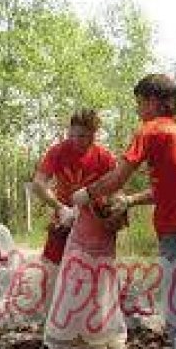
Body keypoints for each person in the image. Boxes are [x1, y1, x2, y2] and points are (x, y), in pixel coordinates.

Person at [71, 74, 176, 349]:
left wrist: (86, 193)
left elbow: (117, 177)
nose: (137, 110)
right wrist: (131, 200)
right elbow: (170, 189)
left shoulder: (151, 129)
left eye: (139, 103)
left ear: (152, 101)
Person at [32, 109, 117, 267]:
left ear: (94, 134)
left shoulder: (105, 157)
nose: (76, 140)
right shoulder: (57, 152)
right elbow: (38, 184)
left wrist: (112, 216)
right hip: (63, 221)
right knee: (52, 269)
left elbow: (115, 190)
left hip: (94, 225)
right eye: (72, 135)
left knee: (93, 272)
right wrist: (60, 208)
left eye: (83, 136)